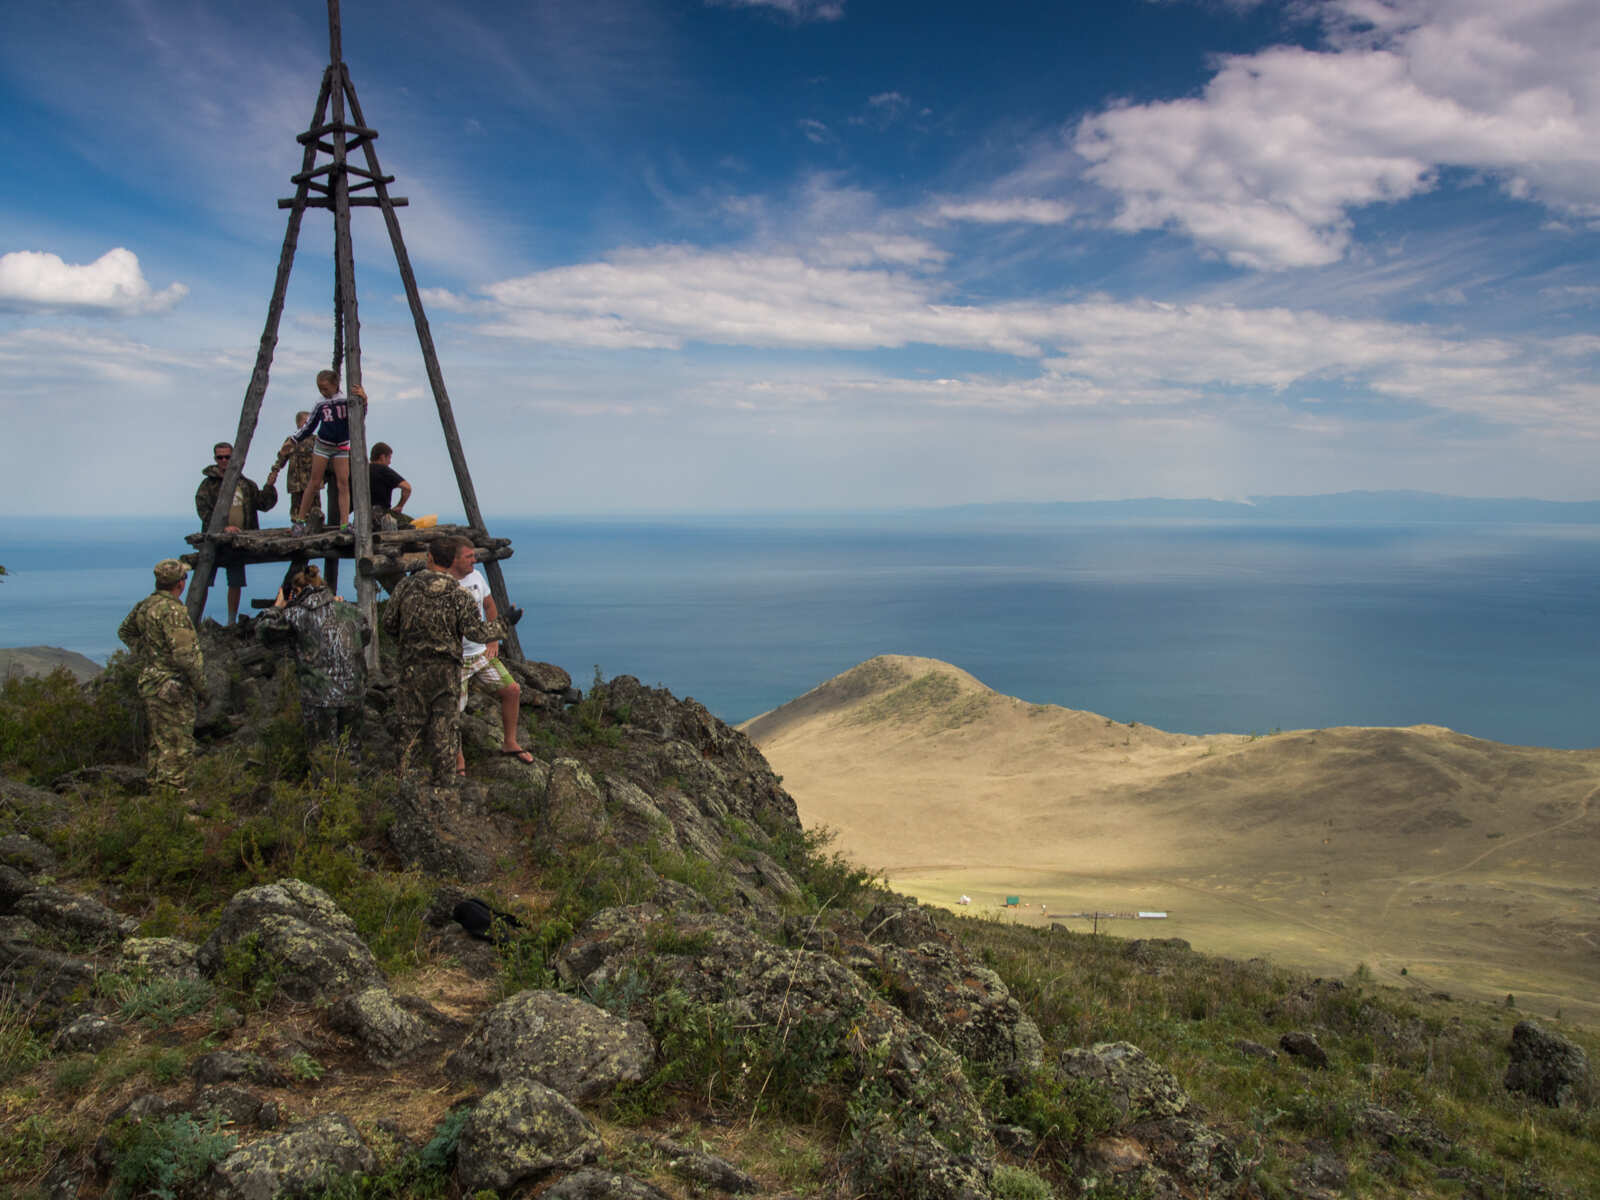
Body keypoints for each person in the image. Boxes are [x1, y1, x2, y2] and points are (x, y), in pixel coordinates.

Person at [381, 536, 511, 785]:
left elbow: (388, 623)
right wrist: (506, 623)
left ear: (429, 558)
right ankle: (444, 786)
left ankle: (406, 782)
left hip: (412, 668)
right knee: (444, 728)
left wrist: (407, 642)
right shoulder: (459, 594)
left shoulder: (406, 587)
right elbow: (477, 633)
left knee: (409, 726)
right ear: (450, 560)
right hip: (446, 671)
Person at [256, 565, 369, 752]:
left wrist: (276, 607)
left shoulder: (297, 614)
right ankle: (351, 780)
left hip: (320, 696)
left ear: (298, 591)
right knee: (351, 754)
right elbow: (365, 637)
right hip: (354, 692)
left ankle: (327, 781)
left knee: (322, 755)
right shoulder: (351, 611)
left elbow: (263, 632)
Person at [118, 559, 206, 792]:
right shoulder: (174, 611)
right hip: (172, 686)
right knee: (178, 745)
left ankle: (157, 794)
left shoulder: (146, 606)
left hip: (150, 681)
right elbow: (185, 657)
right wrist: (202, 687)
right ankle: (174, 802)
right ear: (180, 583)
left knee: (160, 742)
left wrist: (149, 651)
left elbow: (125, 631)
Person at [451, 548, 532, 767]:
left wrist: (493, 640)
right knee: (453, 710)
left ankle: (510, 742)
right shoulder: (446, 583)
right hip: (455, 659)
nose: (474, 560)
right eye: (469, 557)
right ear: (455, 558)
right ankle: (458, 760)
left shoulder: (476, 576)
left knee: (512, 690)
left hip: (479, 653)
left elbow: (489, 605)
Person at [195, 441, 278, 624]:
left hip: (239, 542)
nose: (224, 460)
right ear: (215, 459)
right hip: (214, 541)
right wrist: (222, 528)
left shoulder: (246, 484)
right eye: (220, 457)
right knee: (204, 581)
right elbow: (203, 511)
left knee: (235, 582)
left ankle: (231, 621)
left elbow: (263, 504)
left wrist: (270, 486)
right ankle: (196, 621)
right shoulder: (207, 485)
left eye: (227, 456)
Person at [283, 371, 366, 534]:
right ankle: (300, 521)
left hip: (341, 446)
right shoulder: (320, 403)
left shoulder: (346, 400)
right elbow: (309, 426)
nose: (323, 392)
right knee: (314, 482)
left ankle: (344, 523)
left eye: (325, 388)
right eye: (320, 388)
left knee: (343, 483)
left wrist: (364, 399)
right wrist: (293, 440)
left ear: (336, 385)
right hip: (322, 445)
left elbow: (359, 417)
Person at [268, 411, 324, 531]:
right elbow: (281, 457)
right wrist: (274, 471)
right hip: (296, 481)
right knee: (296, 508)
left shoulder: (317, 440)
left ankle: (315, 527)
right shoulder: (291, 441)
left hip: (312, 481)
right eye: (306, 422)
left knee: (315, 507)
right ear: (298, 423)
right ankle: (297, 527)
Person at [368, 442, 413, 531]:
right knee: (415, 524)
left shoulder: (363, 469)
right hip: (381, 515)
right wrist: (400, 506)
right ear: (382, 457)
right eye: (389, 458)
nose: (390, 462)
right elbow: (407, 488)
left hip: (363, 516)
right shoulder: (383, 470)